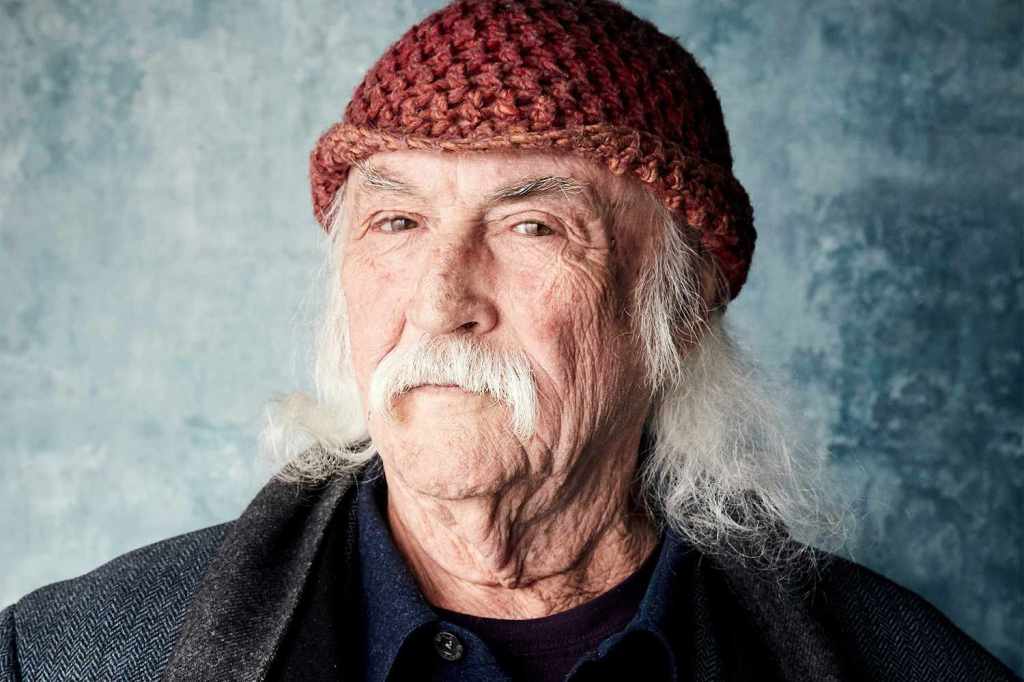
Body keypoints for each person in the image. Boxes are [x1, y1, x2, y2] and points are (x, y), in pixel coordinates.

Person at [1, 0, 1017, 680]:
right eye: (397, 221)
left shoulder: (906, 665)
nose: (441, 300)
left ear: (680, 306)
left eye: (532, 226)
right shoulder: (62, 660)